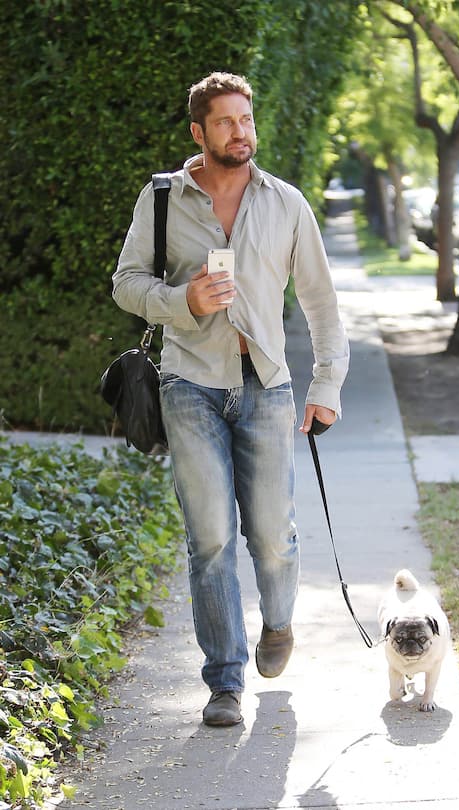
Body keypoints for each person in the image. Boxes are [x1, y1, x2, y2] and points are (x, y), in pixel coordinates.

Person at [112, 72, 349, 727]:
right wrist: (179, 302)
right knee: (210, 539)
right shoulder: (164, 199)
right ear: (199, 131)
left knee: (272, 539)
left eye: (246, 120)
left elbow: (320, 301)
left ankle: (278, 622)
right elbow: (126, 284)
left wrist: (325, 384)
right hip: (188, 385)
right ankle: (224, 682)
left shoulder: (285, 204)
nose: (240, 131)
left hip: (267, 389)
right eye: (225, 122)